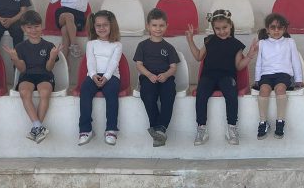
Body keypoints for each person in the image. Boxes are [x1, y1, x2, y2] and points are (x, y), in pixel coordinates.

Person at [186, 10, 255, 146]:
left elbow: (239, 66)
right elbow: (198, 56)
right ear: (213, 28)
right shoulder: (209, 40)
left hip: (227, 77)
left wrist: (249, 56)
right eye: (217, 28)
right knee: (201, 94)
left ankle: (232, 128)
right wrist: (190, 41)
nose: (222, 31)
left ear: (230, 26)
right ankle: (201, 128)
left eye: (224, 27)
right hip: (208, 76)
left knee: (231, 94)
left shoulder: (236, 44)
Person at [2, 10, 60, 143]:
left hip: (45, 75)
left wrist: (52, 57)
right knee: (24, 92)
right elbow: (22, 69)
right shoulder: (20, 47)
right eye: (29, 27)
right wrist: (15, 58)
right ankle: (38, 126)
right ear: (23, 28)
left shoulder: (49, 46)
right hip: (27, 76)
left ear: (41, 26)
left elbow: (49, 68)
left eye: (36, 26)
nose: (33, 30)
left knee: (45, 92)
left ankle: (36, 128)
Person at [133, 8, 180, 147]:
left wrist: (165, 75)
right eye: (154, 25)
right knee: (148, 96)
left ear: (166, 26)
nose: (158, 29)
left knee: (168, 96)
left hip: (166, 78)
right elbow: (139, 65)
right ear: (148, 26)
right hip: (148, 78)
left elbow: (173, 67)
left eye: (161, 25)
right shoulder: (142, 46)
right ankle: (157, 129)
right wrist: (149, 75)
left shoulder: (169, 47)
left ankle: (160, 129)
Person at [253, 12, 304, 139]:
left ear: (284, 29)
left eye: (280, 27)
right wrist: (257, 79)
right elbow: (259, 62)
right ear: (267, 29)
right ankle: (263, 122)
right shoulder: (262, 43)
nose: (276, 30)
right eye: (273, 27)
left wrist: (298, 79)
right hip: (266, 75)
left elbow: (295, 61)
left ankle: (280, 121)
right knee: (264, 90)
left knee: (280, 89)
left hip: (283, 74)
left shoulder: (290, 42)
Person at [79, 10, 122, 146]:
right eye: (98, 25)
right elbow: (90, 61)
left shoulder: (117, 45)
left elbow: (113, 62)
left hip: (111, 76)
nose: (102, 28)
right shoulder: (91, 43)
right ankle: (85, 130)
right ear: (94, 27)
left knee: (111, 92)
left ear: (111, 26)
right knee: (85, 90)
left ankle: (111, 130)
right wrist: (93, 75)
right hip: (94, 75)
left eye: (105, 25)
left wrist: (107, 77)